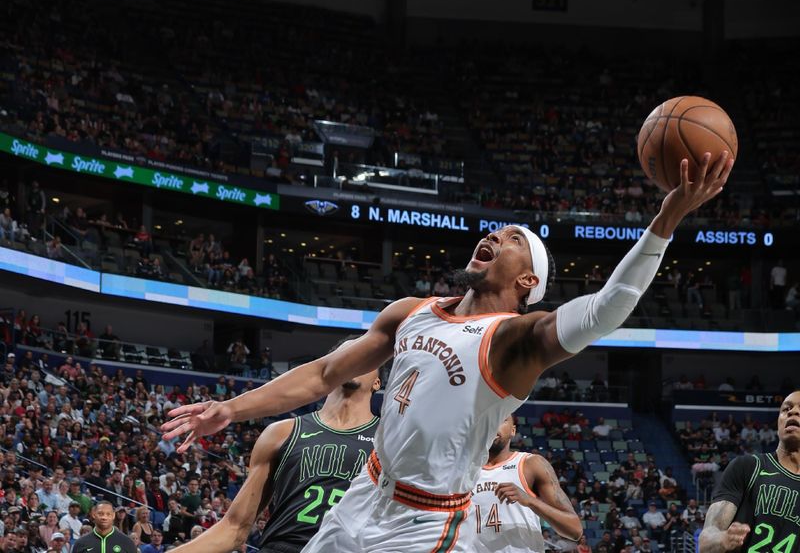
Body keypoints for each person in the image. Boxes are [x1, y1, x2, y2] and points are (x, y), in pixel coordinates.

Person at [162, 153, 732, 553]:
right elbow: (323, 373)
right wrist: (230, 410)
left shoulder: (515, 340)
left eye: (512, 238)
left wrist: (666, 219)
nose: (494, 236)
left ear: (529, 280)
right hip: (363, 494)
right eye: (496, 231)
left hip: (423, 523)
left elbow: (608, 306)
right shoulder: (410, 311)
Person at [165, 361, 381, 553]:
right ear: (331, 368)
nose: (356, 361)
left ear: (378, 383)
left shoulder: (389, 439)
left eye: (368, 358)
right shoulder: (282, 432)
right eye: (349, 355)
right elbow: (235, 527)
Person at [699, 390, 800, 553]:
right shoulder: (747, 467)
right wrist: (723, 539)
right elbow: (706, 541)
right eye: (786, 409)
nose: (793, 411)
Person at [472, 416, 581, 552]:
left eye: (502, 419)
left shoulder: (530, 464)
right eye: (490, 418)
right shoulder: (462, 472)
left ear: (513, 430)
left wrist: (530, 501)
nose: (494, 424)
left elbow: (574, 529)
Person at [72, 500, 138, 553]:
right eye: (100, 513)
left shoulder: (127, 542)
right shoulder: (80, 543)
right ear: (94, 514)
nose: (104, 517)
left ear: (113, 515)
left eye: (108, 514)